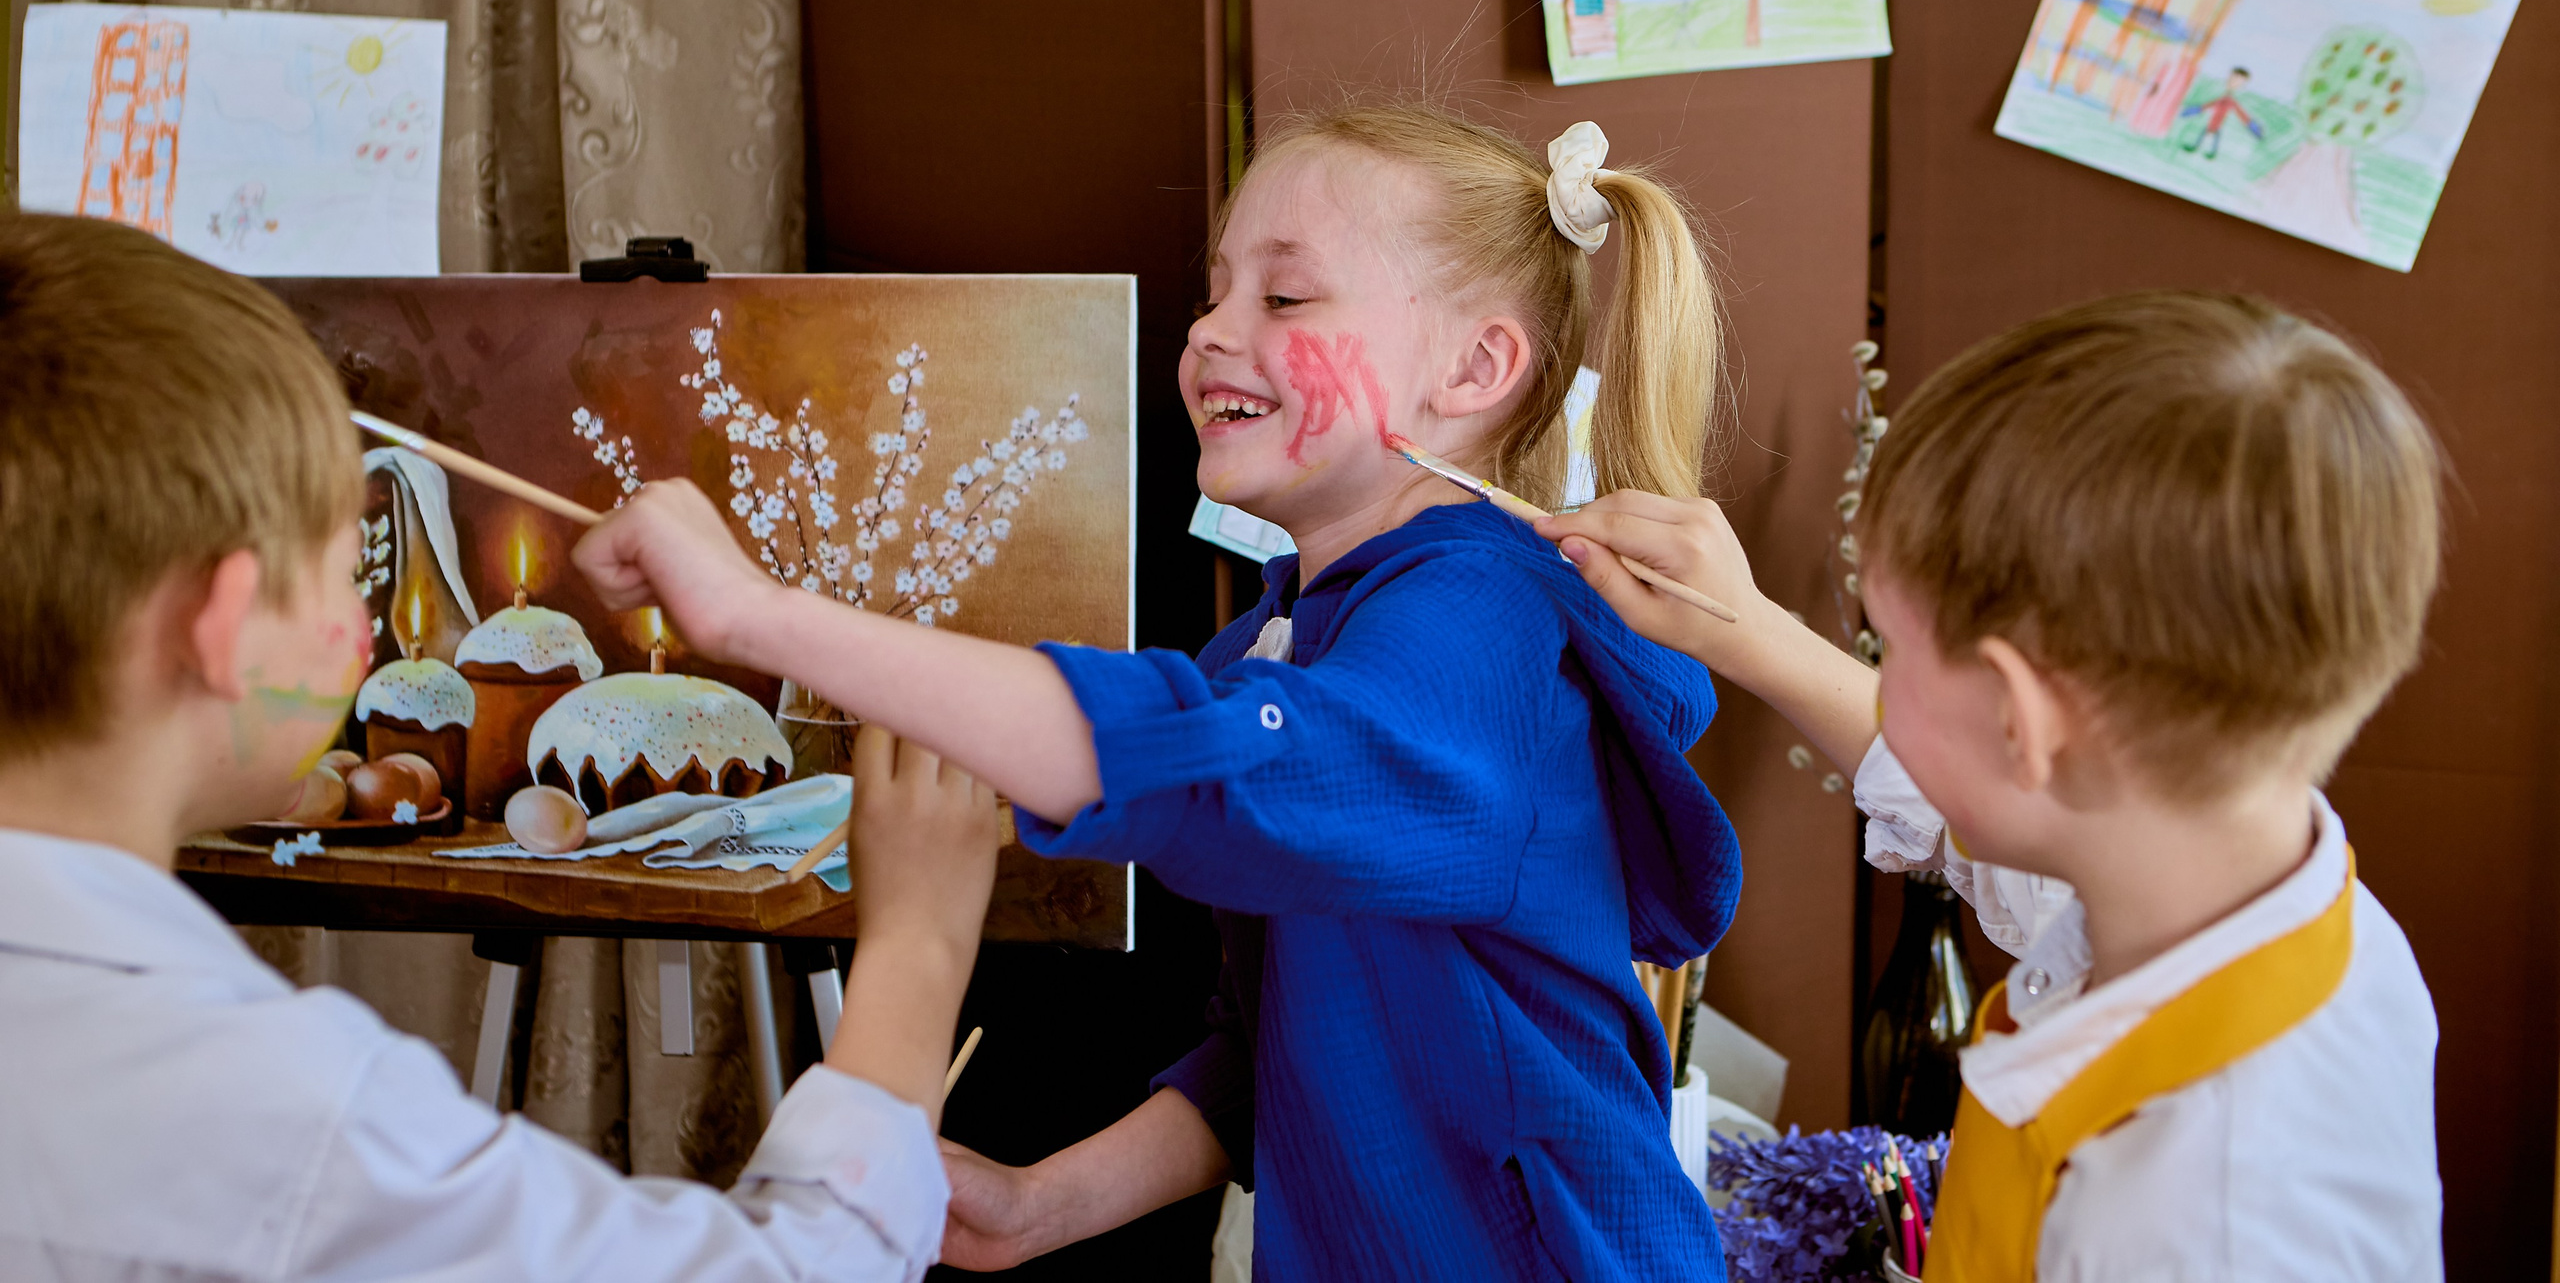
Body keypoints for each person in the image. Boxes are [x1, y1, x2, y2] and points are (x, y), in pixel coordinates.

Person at [574, 103, 1746, 1281]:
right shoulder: (1287, 636)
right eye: (1216, 289)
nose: (1209, 333)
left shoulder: (1479, 617)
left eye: (1284, 300)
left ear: (1476, 367)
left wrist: (760, 615)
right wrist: (1041, 1204)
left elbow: (1223, 765)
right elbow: (1280, 1043)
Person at [0, 212, 1003, 1283]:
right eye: (347, 569)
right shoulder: (287, 1118)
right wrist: (917, 950)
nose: (361, 619)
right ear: (223, 627)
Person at [1535, 290, 2443, 1281]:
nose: (1884, 674)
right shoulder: (2230, 874)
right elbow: (1985, 813)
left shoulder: (2188, 1218)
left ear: (2019, 718)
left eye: (1897, 645)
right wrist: (1744, 629)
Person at [2179, 66, 2264, 160]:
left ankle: (2210, 152)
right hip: (2212, 122)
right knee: (2208, 135)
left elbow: (2242, 115)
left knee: (2213, 137)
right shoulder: (2220, 95)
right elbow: (2207, 106)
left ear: (2242, 85)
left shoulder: (2231, 101)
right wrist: (2193, 110)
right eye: (2231, 78)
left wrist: (2252, 127)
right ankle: (2202, 149)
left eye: (2237, 81)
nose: (2232, 82)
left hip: (2217, 124)